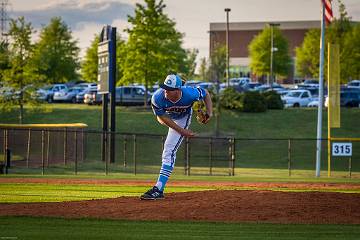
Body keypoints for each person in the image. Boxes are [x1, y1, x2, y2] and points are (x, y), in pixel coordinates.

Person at [140, 74, 213, 200]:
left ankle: (158, 189)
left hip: (183, 118)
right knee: (168, 148)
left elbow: (205, 93)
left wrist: (209, 113)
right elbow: (163, 119)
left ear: (178, 89)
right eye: (165, 87)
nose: (166, 91)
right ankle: (158, 189)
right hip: (165, 118)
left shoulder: (189, 94)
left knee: (168, 150)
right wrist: (182, 131)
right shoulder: (157, 97)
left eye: (169, 89)